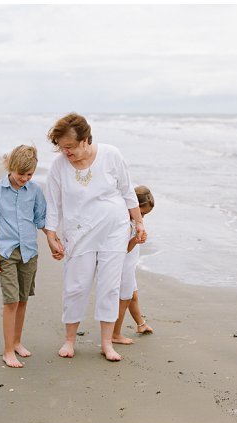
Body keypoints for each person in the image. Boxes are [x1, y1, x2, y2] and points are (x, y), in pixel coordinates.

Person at [44, 112, 147, 362]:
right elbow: (53, 204)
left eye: (69, 147)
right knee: (76, 285)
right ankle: (69, 340)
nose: (65, 152)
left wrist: (139, 222)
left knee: (109, 286)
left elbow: (126, 191)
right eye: (61, 147)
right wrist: (51, 234)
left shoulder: (111, 155)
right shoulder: (58, 166)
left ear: (85, 140)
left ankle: (106, 344)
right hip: (78, 232)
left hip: (114, 230)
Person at [0, 145, 59, 368]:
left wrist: (52, 239)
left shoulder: (35, 191)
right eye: (21, 174)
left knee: (23, 299)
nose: (25, 178)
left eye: (30, 174)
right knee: (11, 301)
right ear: (11, 167)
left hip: (29, 253)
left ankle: (17, 342)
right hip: (6, 253)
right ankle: (8, 351)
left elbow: (41, 220)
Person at [112, 185, 155, 344]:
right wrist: (136, 239)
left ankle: (141, 324)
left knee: (133, 296)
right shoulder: (125, 223)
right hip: (123, 266)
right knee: (124, 298)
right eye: (141, 213)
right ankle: (115, 334)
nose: (142, 218)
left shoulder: (133, 222)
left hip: (128, 266)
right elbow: (123, 250)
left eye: (145, 215)